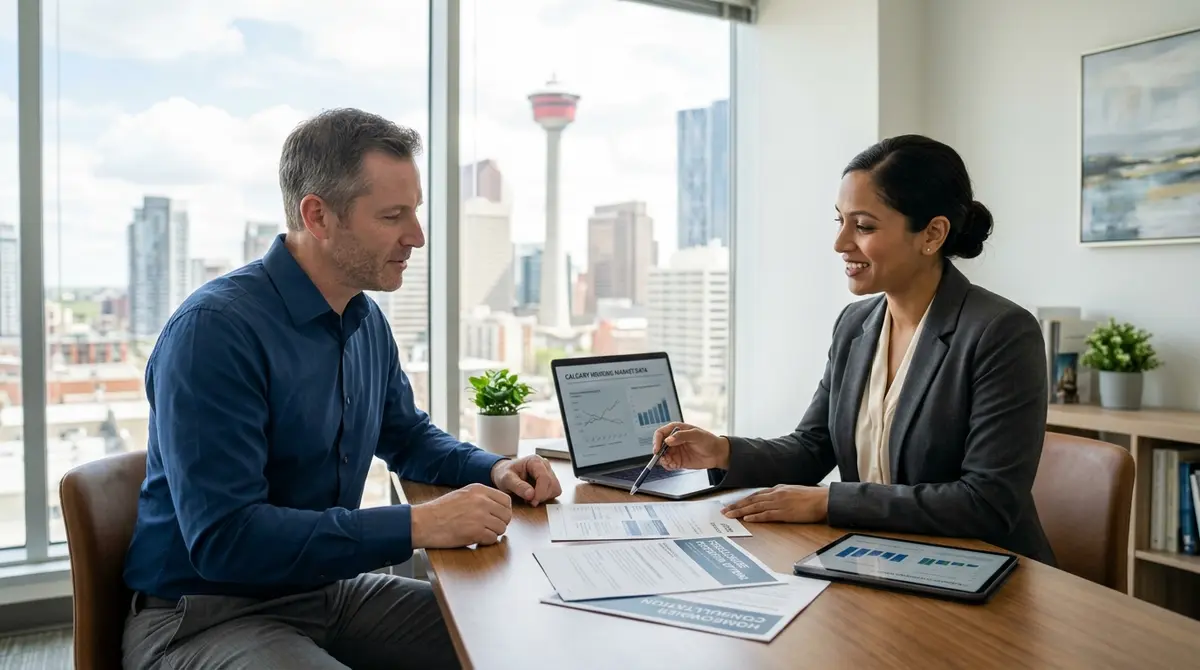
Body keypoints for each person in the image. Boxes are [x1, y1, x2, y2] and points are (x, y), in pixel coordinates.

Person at [121, 108, 562, 670]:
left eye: (415, 212)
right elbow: (226, 539)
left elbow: (407, 436)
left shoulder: (364, 319)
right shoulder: (214, 331)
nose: (417, 237)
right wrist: (420, 524)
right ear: (318, 216)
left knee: (515, 641)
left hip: (321, 591)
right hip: (203, 615)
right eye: (392, 216)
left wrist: (494, 468)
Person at [653, 135, 1055, 564]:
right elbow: (812, 447)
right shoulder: (855, 324)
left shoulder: (1000, 332)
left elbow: (986, 502)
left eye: (863, 226)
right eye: (840, 220)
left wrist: (829, 502)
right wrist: (722, 450)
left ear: (932, 234)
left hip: (984, 570)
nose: (840, 242)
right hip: (881, 557)